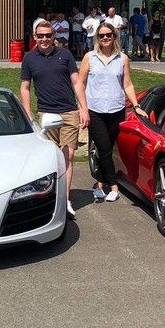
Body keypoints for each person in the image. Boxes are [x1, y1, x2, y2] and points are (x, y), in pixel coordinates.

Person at [20, 19, 89, 216]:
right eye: (40, 36)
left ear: (53, 36)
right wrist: (28, 113)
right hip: (46, 114)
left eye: (48, 35)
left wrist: (84, 108)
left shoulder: (65, 55)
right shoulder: (29, 58)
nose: (44, 39)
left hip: (69, 111)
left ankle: (65, 200)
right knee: (50, 158)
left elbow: (77, 83)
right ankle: (50, 198)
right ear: (34, 37)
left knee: (68, 155)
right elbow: (25, 87)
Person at [78, 21, 146, 202]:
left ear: (115, 37)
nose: (105, 38)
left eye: (109, 35)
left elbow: (127, 84)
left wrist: (136, 105)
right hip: (95, 110)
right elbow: (80, 83)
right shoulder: (90, 57)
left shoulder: (122, 58)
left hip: (116, 110)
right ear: (97, 38)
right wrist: (82, 107)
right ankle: (114, 186)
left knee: (106, 149)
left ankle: (100, 184)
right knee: (104, 148)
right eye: (101, 36)